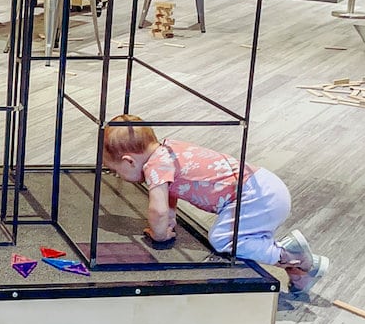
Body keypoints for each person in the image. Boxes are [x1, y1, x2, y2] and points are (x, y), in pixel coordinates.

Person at [101, 114, 329, 294]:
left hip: (254, 197)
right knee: (245, 242)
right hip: (264, 186)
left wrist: (160, 233)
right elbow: (172, 193)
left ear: (129, 161)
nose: (117, 175)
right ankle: (301, 270)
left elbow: (157, 210)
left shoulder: (155, 168)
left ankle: (288, 254)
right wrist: (172, 217)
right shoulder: (167, 150)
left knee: (222, 239)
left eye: (115, 171)